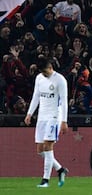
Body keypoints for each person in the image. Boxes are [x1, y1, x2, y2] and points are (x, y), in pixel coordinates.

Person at [24, 57, 69, 188]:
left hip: (54, 116)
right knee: (40, 150)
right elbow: (36, 96)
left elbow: (64, 101)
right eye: (42, 72)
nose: (44, 75)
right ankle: (60, 170)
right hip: (42, 116)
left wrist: (64, 121)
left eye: (46, 72)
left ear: (51, 68)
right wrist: (29, 113)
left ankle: (45, 180)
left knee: (48, 146)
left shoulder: (60, 80)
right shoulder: (39, 78)